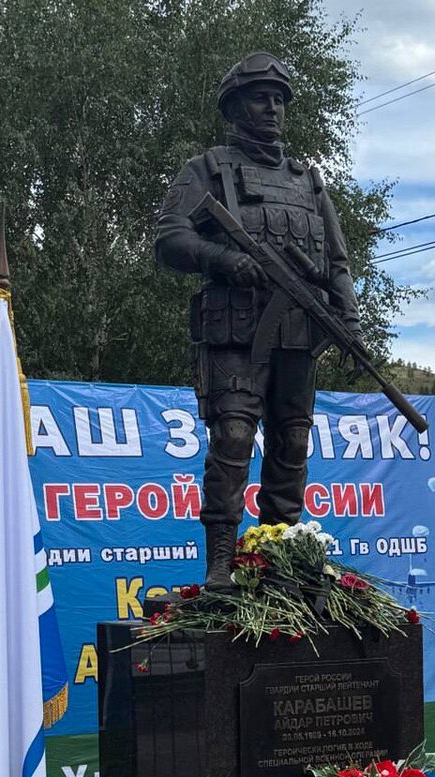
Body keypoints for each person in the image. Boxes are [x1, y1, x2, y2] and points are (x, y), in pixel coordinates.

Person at [155, 51, 362, 589]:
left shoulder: (308, 181)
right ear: (234, 107)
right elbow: (170, 238)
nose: (272, 108)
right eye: (259, 98)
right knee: (232, 438)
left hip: (298, 334)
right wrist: (225, 260)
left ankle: (281, 559)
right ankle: (221, 561)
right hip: (234, 334)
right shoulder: (207, 169)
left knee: (293, 443)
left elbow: (336, 261)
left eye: (279, 99)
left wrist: (350, 321)